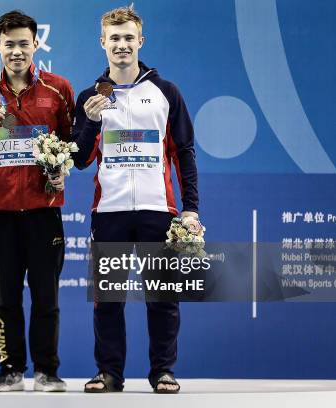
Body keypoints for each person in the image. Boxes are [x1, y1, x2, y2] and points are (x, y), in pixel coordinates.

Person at [73, 5, 200, 394]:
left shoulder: (166, 93)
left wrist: (191, 207)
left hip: (158, 211)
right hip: (108, 211)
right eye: (115, 38)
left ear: (140, 41)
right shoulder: (89, 97)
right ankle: (109, 374)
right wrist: (91, 121)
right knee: (107, 299)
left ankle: (164, 371)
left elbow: (185, 151)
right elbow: (78, 160)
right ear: (102, 43)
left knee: (162, 297)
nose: (122, 45)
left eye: (129, 38)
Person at [0, 10, 75, 392]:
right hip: (0, 213)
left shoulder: (59, 89)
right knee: (5, 296)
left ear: (36, 45)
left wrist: (63, 171)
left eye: (23, 44)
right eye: (8, 44)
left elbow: (69, 146)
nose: (16, 51)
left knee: (47, 295)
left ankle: (47, 370)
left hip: (45, 212)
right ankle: (10, 368)